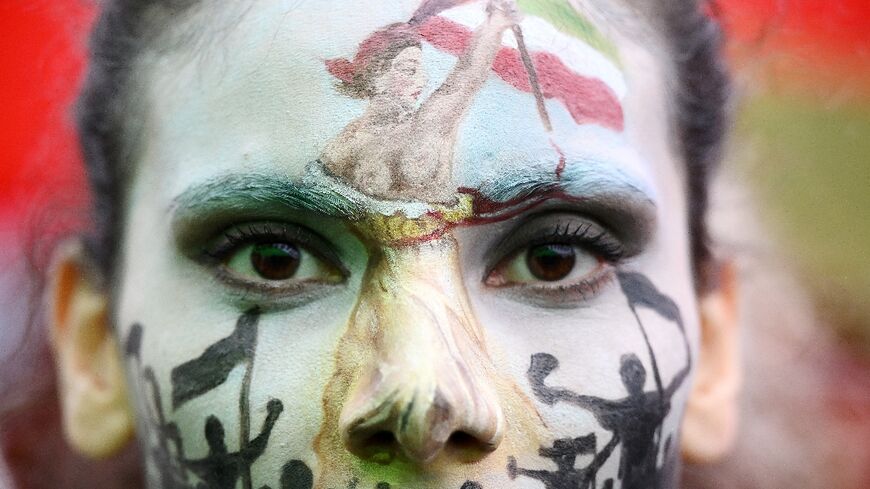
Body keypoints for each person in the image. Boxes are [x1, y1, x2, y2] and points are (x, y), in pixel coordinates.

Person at [42, 0, 737, 487]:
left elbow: (463, 82)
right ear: (91, 348)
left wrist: (495, 27)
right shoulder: (348, 150)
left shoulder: (437, 121)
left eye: (554, 258)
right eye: (273, 259)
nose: (422, 396)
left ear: (716, 349)